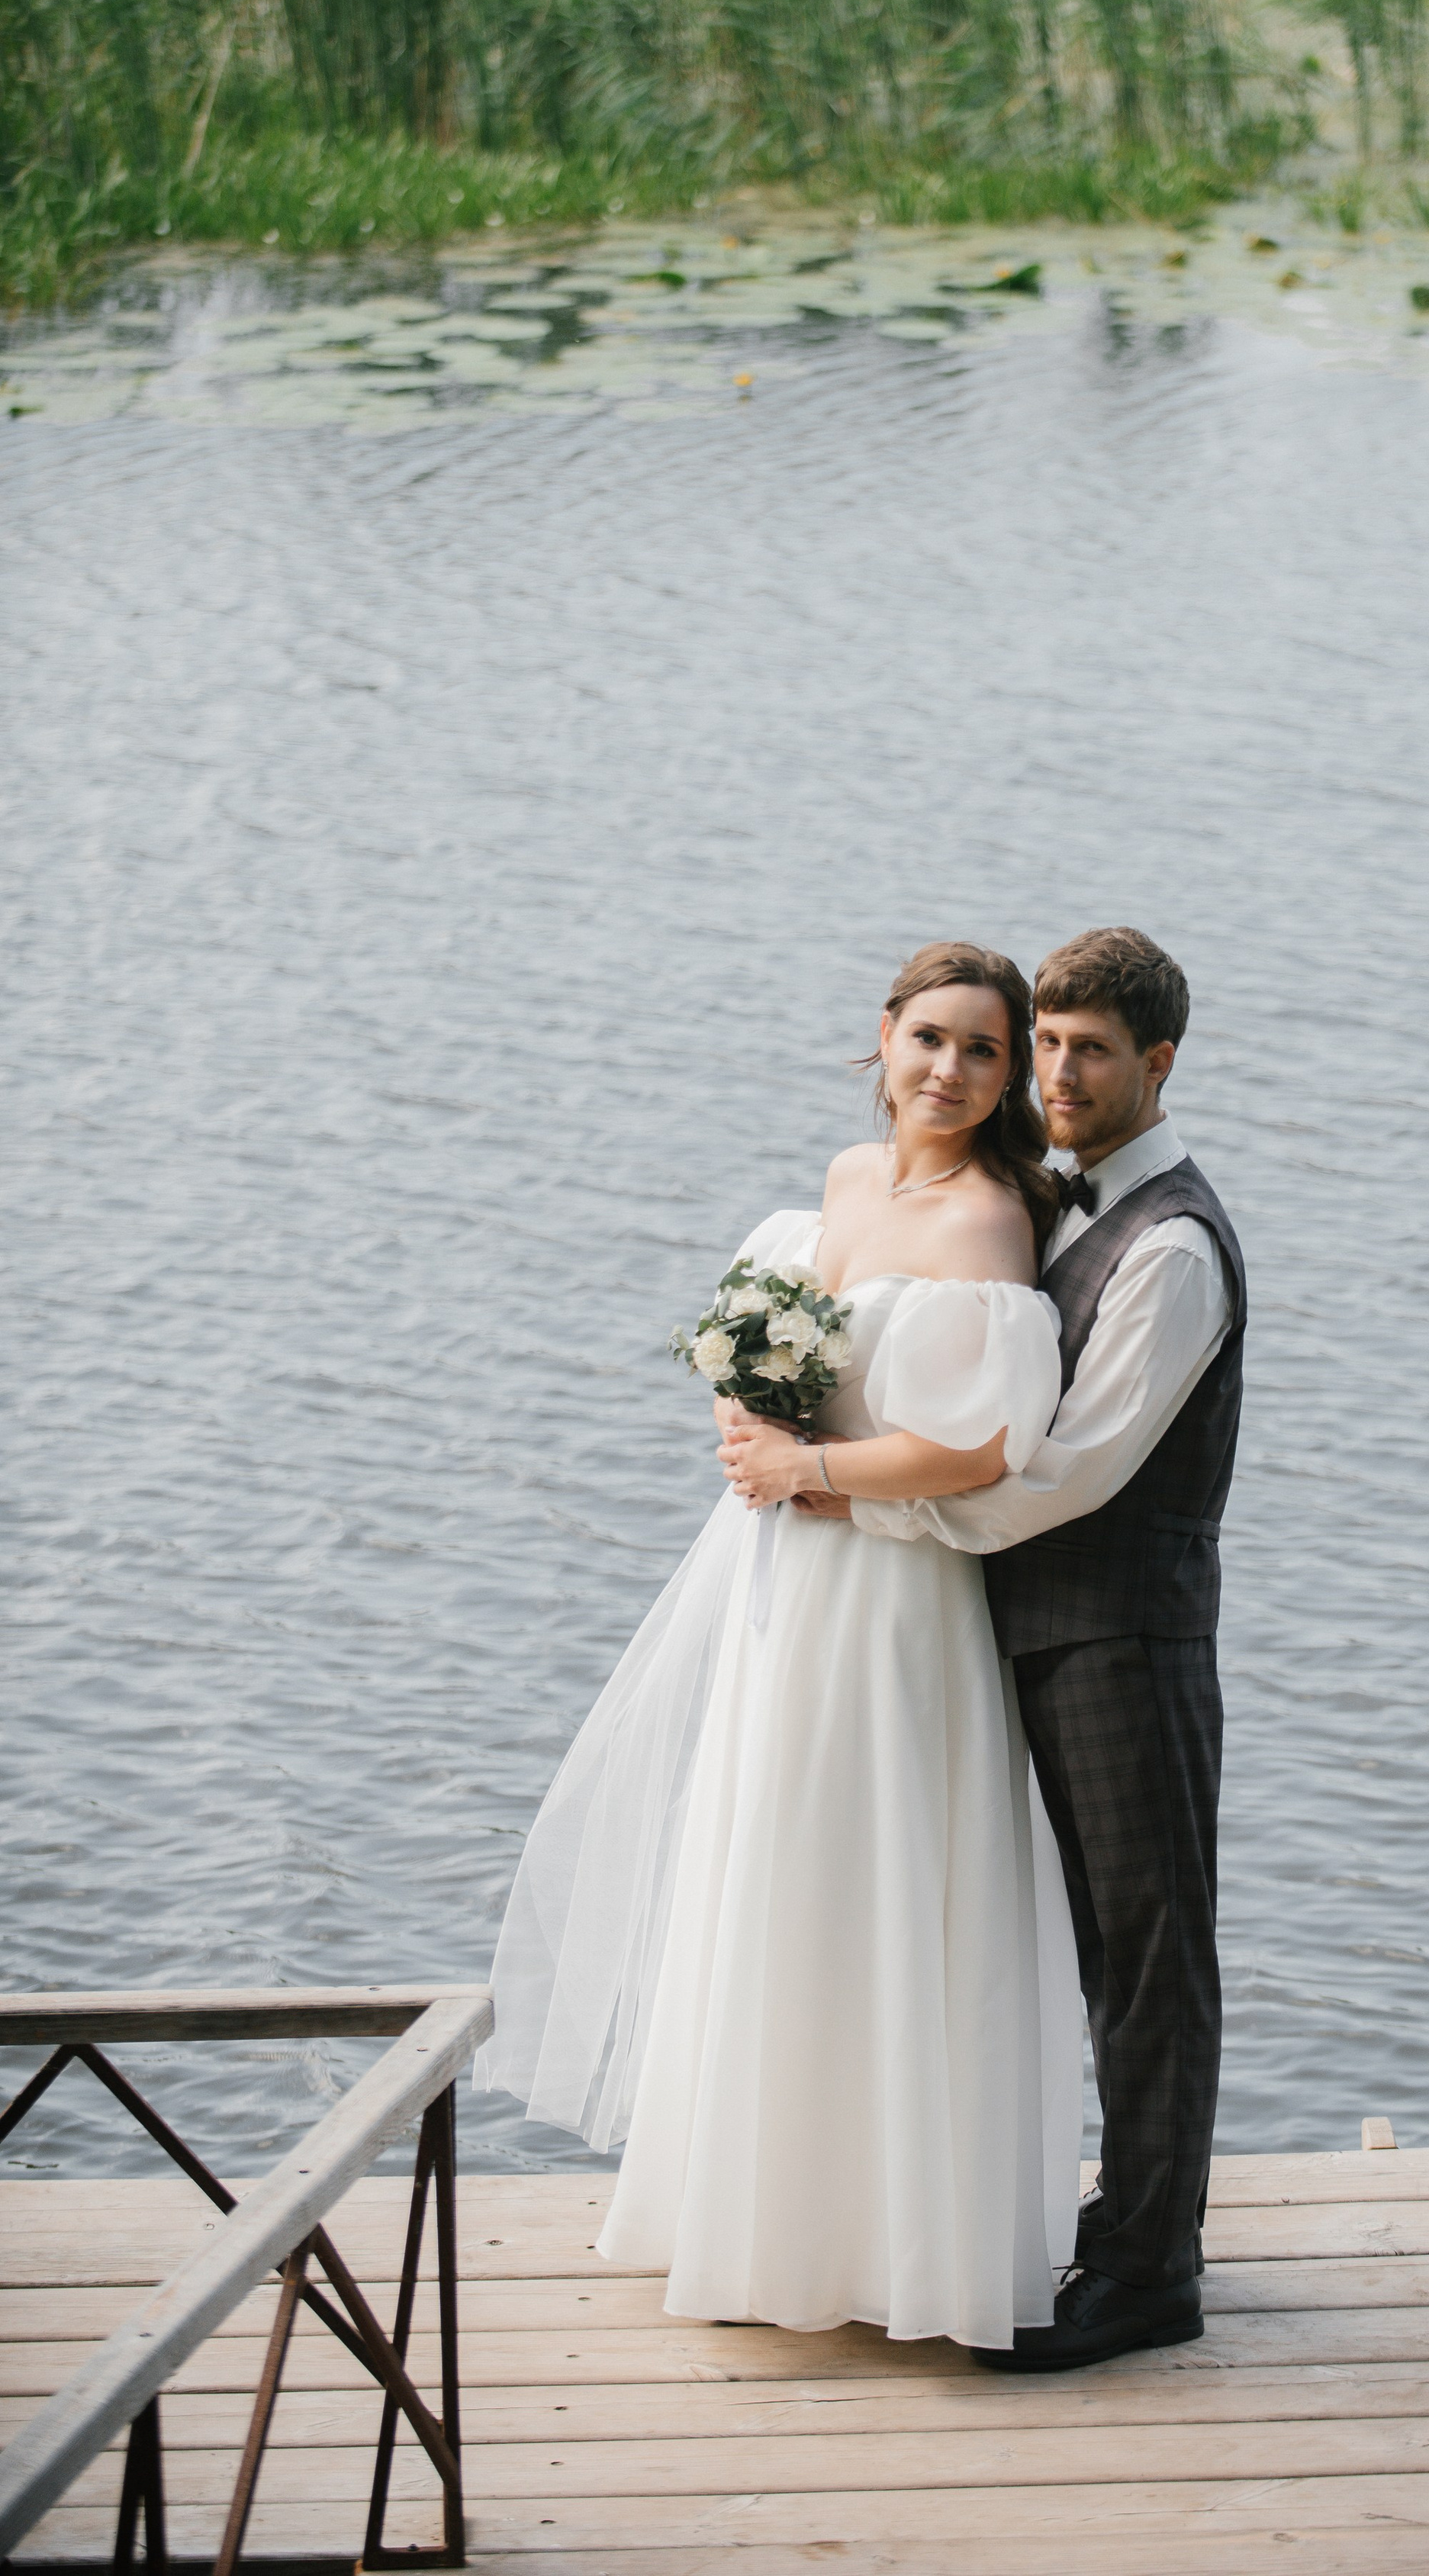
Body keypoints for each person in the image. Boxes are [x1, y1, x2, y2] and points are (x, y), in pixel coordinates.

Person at [475, 943, 1083, 2352]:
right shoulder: (846, 1181)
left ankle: (893, 2243)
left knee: (868, 1872)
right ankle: (761, 2215)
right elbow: (778, 1370)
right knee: (769, 1866)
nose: (949, 1069)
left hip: (887, 1604)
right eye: (930, 1037)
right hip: (783, 1592)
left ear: (1007, 1079)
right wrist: (752, 1436)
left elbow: (974, 1447)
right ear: (882, 1036)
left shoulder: (992, 1224)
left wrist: (811, 1470)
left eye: (983, 1052)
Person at [846, 927, 1245, 2372]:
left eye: (1089, 1052)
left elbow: (1078, 1469)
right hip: (1038, 1634)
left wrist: (868, 1509)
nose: (1060, 1075)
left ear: (1158, 1065)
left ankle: (1154, 2274)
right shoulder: (1064, 1208)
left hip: (1125, 1643)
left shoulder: (1175, 1244)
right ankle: (1123, 2218)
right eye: (1050, 1044)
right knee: (1073, 1947)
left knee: (1149, 1962)